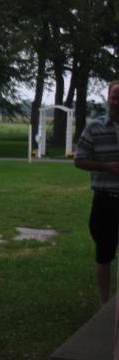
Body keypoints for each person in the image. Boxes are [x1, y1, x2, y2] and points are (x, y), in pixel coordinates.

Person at [74, 79, 119, 305]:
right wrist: (105, 167)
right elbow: (79, 160)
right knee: (104, 253)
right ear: (108, 98)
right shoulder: (95, 127)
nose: (117, 101)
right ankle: (104, 305)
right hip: (106, 200)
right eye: (114, 96)